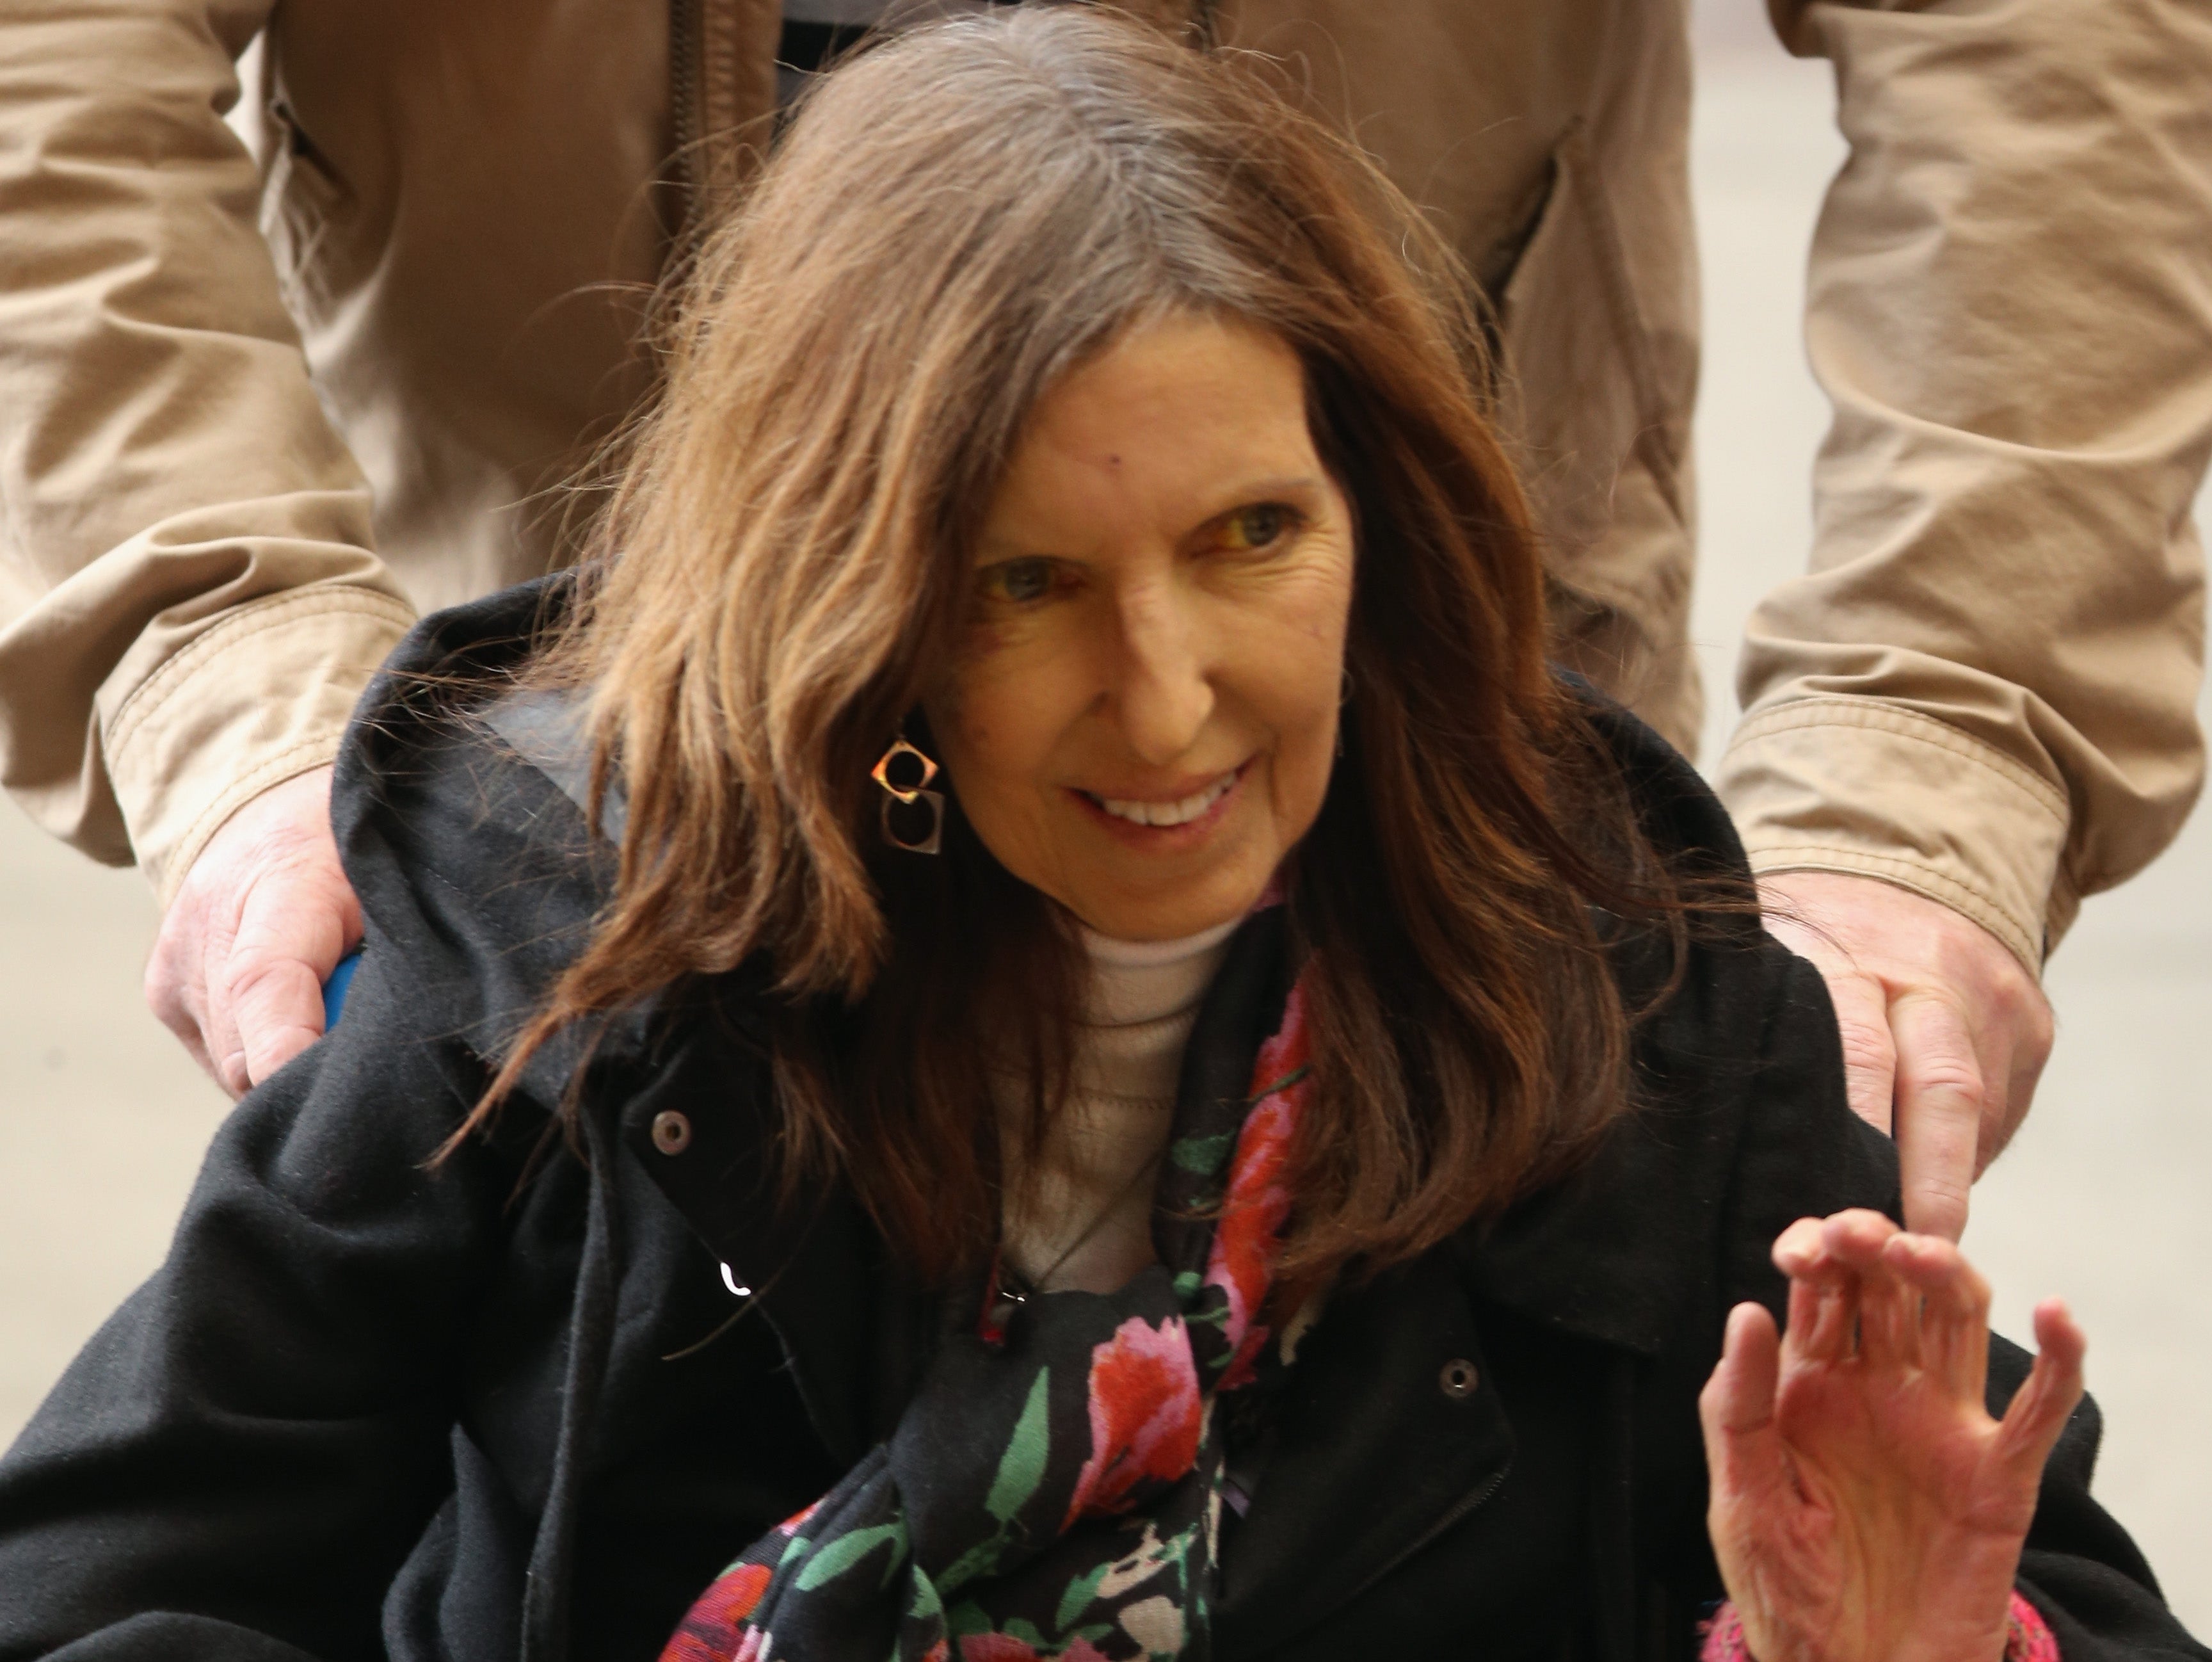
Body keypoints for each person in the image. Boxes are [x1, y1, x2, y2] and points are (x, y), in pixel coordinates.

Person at [0, 17, 2195, 1659]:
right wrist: (219, 661)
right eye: (1025, 582)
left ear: (1380, 520)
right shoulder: (545, 986)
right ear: (865, 610)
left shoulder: (1646, 1021)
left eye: (1254, 536)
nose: (1165, 705)